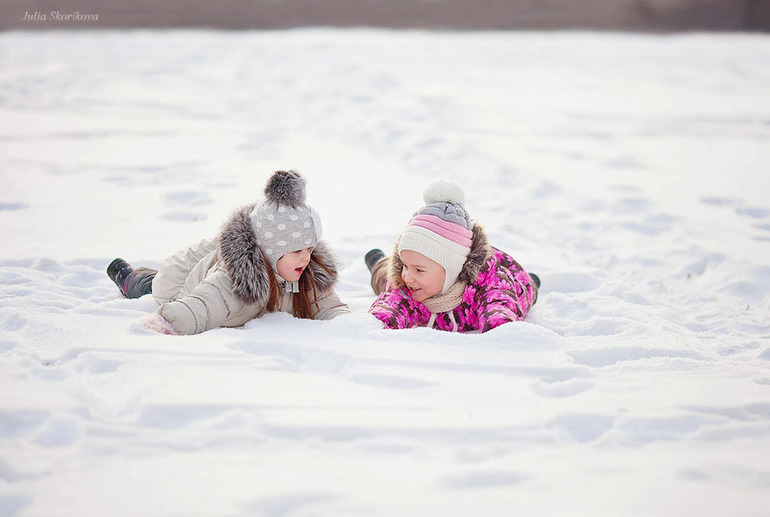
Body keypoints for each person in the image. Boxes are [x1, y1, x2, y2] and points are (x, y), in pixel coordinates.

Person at [107, 170, 349, 335]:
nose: (306, 257)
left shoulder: (306, 274)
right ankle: (126, 275)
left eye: (309, 248)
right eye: (296, 250)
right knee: (151, 285)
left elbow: (329, 308)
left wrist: (351, 325)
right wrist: (165, 322)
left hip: (218, 258)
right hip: (179, 280)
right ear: (272, 252)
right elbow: (201, 306)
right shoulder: (235, 281)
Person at [366, 180, 539, 333]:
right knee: (386, 279)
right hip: (419, 277)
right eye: (405, 265)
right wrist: (377, 322)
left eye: (419, 270)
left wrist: (500, 326)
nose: (407, 276)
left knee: (523, 287)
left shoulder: (489, 282)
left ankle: (533, 281)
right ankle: (378, 262)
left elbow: (500, 305)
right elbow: (391, 306)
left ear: (451, 270)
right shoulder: (407, 282)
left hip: (506, 275)